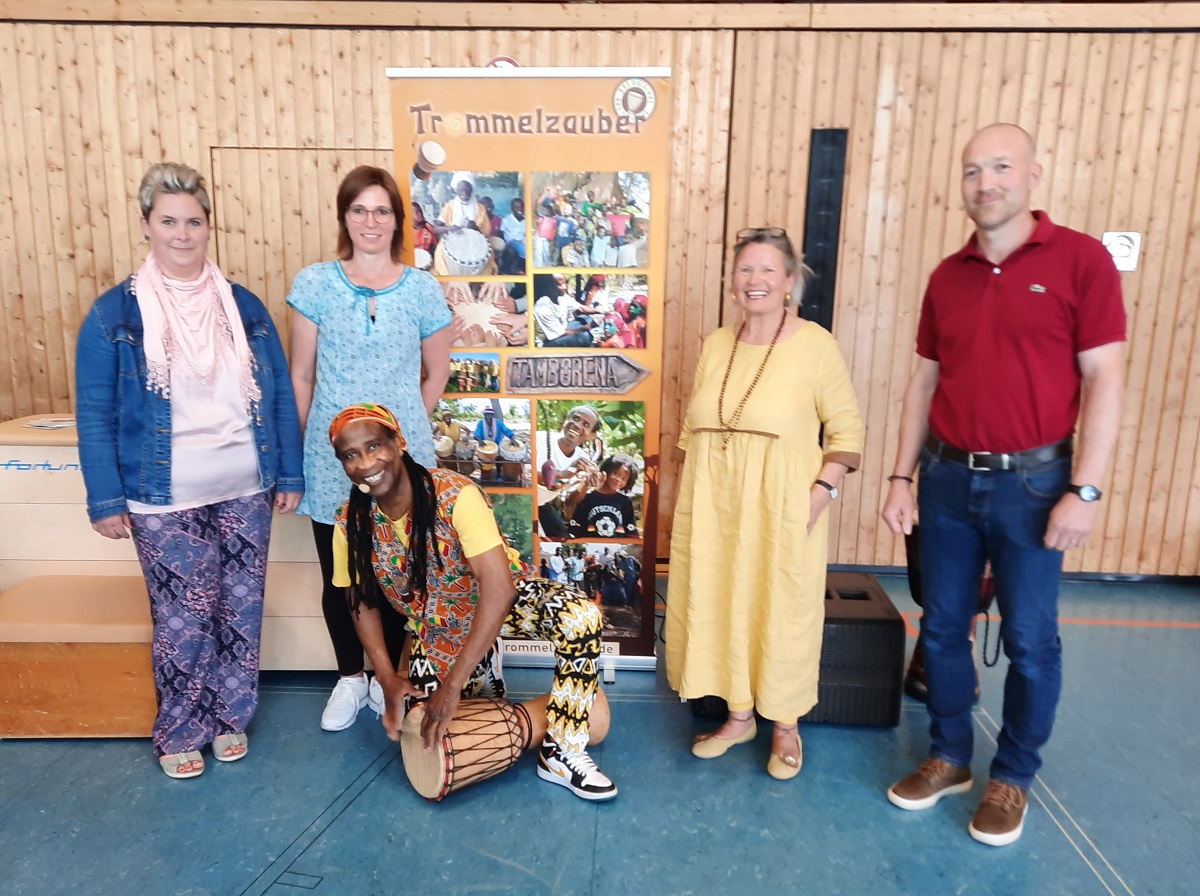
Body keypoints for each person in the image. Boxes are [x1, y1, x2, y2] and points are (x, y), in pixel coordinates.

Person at [880, 123, 1126, 847]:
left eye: (1000, 167)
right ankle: (950, 755)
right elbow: (925, 380)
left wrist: (1084, 489)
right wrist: (902, 475)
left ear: (1033, 175)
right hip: (948, 479)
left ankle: (1012, 774)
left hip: (1036, 484)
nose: (985, 183)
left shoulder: (1081, 262)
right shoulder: (945, 276)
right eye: (971, 171)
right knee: (944, 627)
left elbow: (1106, 376)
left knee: (1029, 638)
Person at [75, 162, 304, 779]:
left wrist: (289, 475)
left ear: (209, 227)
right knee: (183, 617)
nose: (182, 234)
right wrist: (105, 500)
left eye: (194, 222)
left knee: (239, 610)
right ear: (147, 226)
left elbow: (278, 394)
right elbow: (94, 415)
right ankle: (180, 728)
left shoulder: (243, 306)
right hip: (161, 495)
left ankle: (230, 717)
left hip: (247, 486)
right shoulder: (113, 316)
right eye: (168, 221)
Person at [327, 403, 617, 800]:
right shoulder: (350, 521)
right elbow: (360, 602)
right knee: (429, 739)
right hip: (437, 627)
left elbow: (499, 590)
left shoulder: (453, 493)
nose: (365, 462)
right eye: (351, 455)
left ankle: (562, 751)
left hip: (499, 602)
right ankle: (539, 696)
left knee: (580, 617)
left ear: (399, 442)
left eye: (375, 446)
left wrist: (452, 685)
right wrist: (387, 677)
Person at [664, 226, 864, 781]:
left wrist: (819, 496)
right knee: (723, 601)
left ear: (791, 281)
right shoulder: (715, 344)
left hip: (782, 506)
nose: (756, 280)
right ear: (733, 282)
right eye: (746, 270)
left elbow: (846, 431)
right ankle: (739, 716)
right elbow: (693, 430)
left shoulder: (815, 344)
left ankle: (785, 726)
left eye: (768, 270)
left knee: (782, 609)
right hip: (713, 505)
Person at [288, 165, 452, 733]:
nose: (370, 221)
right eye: (359, 210)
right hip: (331, 460)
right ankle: (351, 679)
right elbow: (301, 377)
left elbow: (436, 373)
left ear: (397, 221)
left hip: (404, 463)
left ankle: (401, 680)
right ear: (344, 218)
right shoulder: (314, 285)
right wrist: (309, 450)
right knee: (343, 575)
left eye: (382, 210)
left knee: (406, 571)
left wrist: (403, 434)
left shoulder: (423, 290)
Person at [536, 404, 601, 537]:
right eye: (576, 418)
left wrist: (586, 483)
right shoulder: (539, 439)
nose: (578, 425)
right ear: (566, 421)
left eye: (586, 424)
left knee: (562, 537)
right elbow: (525, 478)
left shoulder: (583, 459)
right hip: (523, 499)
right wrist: (562, 474)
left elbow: (571, 500)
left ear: (591, 435)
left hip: (541, 505)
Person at [570, 454, 639, 539]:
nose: (619, 480)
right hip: (590, 547)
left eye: (624, 479)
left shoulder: (625, 502)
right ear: (607, 470)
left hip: (616, 548)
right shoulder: (588, 497)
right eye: (616, 474)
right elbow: (576, 528)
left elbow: (630, 531)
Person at [532, 273, 594, 348]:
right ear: (549, 287)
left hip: (563, 328)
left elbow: (581, 308)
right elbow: (561, 333)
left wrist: (602, 311)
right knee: (584, 336)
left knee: (586, 318)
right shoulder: (543, 306)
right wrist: (582, 329)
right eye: (560, 285)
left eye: (565, 283)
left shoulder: (561, 296)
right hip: (548, 340)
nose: (564, 287)